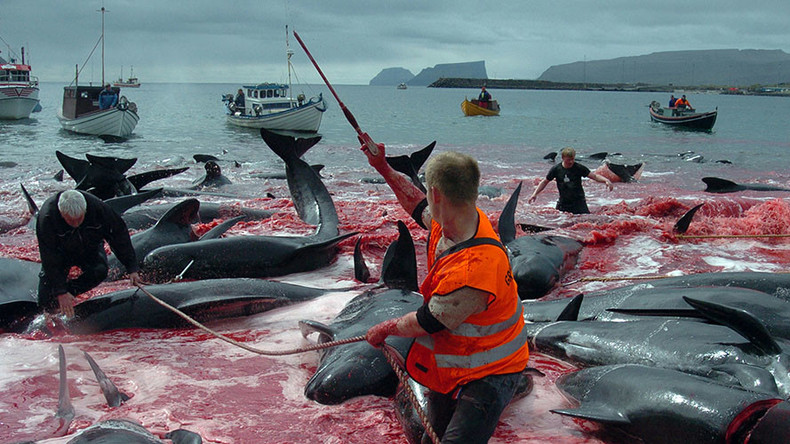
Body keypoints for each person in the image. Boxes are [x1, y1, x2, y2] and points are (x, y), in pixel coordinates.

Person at [359, 134, 529, 444]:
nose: (426, 198)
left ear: (437, 194)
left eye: (429, 192)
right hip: (461, 357)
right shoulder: (458, 219)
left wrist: (383, 329)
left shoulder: (474, 268)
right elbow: (415, 202)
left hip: (494, 371)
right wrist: (383, 167)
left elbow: (428, 321)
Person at [36, 189, 142, 318]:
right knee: (45, 300)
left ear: (85, 210)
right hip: (60, 253)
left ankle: (71, 293)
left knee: (100, 271)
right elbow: (49, 256)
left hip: (89, 247)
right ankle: (59, 300)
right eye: (70, 221)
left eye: (79, 219)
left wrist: (131, 267)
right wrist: (60, 291)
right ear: (61, 214)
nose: (75, 224)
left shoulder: (99, 209)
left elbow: (119, 236)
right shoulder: (47, 218)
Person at [528, 146, 613, 214]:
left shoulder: (579, 168)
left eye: (573, 159)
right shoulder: (556, 169)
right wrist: (535, 194)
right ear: (563, 158)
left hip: (579, 202)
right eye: (569, 160)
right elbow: (544, 182)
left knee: (585, 223)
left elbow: (594, 176)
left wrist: (606, 180)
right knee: (559, 223)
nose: (571, 161)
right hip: (563, 203)